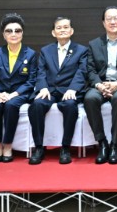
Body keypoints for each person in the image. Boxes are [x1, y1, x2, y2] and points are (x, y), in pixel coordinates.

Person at [28, 17, 88, 165]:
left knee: (70, 106)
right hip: (48, 90)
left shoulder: (81, 50)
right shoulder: (46, 50)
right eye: (59, 28)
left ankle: (65, 148)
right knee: (36, 105)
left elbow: (82, 72)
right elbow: (41, 71)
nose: (62, 30)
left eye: (66, 27)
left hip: (69, 90)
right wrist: (43, 87)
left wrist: (73, 89)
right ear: (53, 32)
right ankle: (39, 147)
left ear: (71, 31)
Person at [84, 6, 117, 165]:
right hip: (100, 86)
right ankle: (102, 143)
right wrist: (99, 85)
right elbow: (90, 70)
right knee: (90, 98)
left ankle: (115, 145)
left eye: (116, 18)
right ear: (103, 22)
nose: (113, 22)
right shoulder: (94, 44)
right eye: (109, 19)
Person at [0, 13, 37, 163]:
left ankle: (7, 144)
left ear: (22, 33)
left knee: (11, 106)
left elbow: (31, 81)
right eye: (9, 31)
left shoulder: (31, 54)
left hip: (19, 94)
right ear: (3, 35)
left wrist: (13, 94)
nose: (13, 34)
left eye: (17, 30)